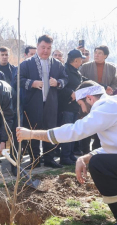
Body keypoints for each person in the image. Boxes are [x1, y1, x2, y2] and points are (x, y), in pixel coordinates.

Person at [17, 80, 117, 225]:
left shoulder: (108, 107)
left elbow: (74, 131)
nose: (81, 110)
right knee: (108, 163)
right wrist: (85, 157)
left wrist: (31, 134)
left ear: (89, 98)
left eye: (81, 105)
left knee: (100, 165)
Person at [20, 34, 68, 169]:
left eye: (48, 48)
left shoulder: (57, 64)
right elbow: (17, 80)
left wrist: (58, 82)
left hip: (51, 104)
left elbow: (65, 79)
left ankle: (49, 159)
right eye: (43, 47)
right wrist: (32, 83)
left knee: (50, 131)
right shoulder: (26, 63)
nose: (45, 50)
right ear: (37, 46)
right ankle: (34, 159)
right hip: (33, 104)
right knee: (33, 132)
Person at [79, 45, 117, 152]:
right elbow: (81, 82)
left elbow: (114, 83)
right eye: (95, 52)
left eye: (100, 53)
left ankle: (98, 149)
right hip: (88, 100)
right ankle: (84, 151)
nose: (96, 55)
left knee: (101, 125)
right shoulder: (86, 67)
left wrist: (110, 90)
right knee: (88, 124)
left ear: (105, 55)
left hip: (104, 101)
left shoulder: (112, 68)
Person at [57, 49, 87, 164]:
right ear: (75, 60)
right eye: (80, 59)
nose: (81, 61)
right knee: (67, 132)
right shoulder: (64, 70)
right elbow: (60, 87)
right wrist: (70, 92)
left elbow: (83, 81)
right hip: (67, 107)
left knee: (73, 132)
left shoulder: (76, 71)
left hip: (75, 107)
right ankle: (64, 157)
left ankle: (70, 154)